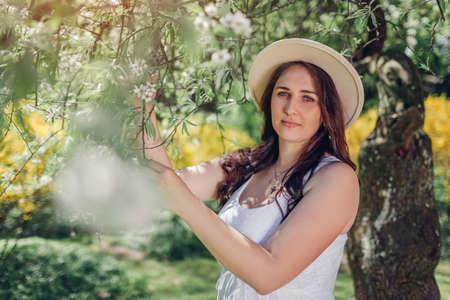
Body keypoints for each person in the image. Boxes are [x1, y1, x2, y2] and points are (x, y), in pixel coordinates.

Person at [134, 38, 364, 299]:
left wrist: (185, 204)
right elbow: (162, 182)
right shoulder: (246, 165)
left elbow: (268, 276)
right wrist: (142, 102)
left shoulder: (336, 179)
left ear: (327, 111)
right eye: (283, 94)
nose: (291, 109)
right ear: (270, 100)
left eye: (308, 98)